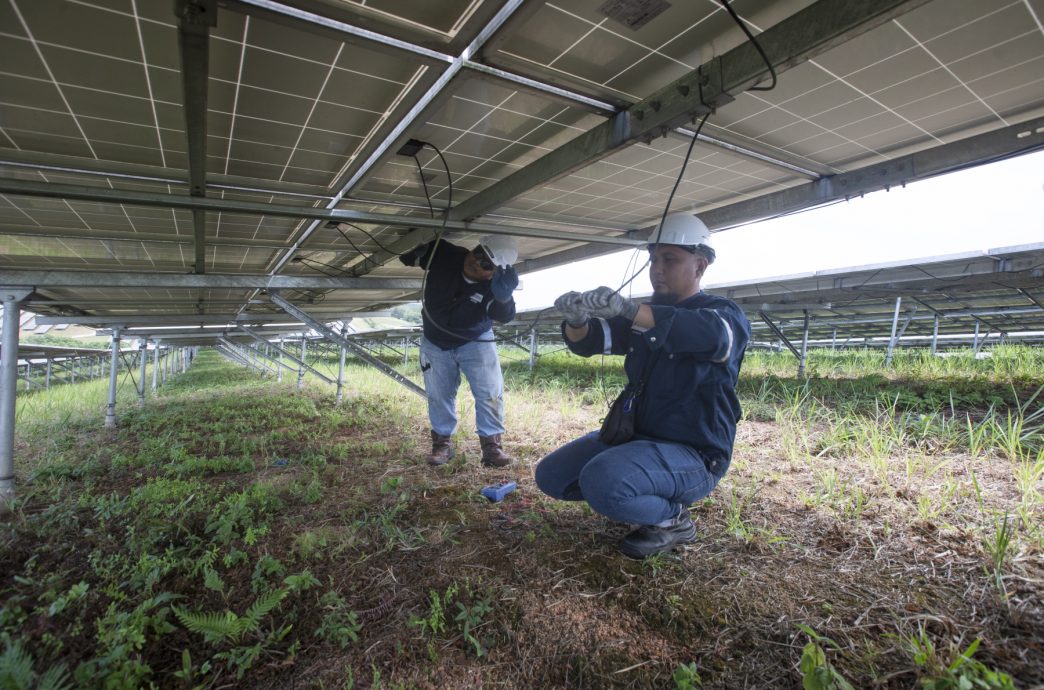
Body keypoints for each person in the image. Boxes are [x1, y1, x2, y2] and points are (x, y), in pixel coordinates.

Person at [535, 212, 750, 559]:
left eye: (670, 259)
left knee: (603, 479)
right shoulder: (645, 315)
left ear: (700, 266)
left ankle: (671, 519)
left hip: (695, 453)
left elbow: (707, 334)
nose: (657, 269)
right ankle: (635, 491)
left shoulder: (722, 314)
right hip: (637, 438)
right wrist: (576, 320)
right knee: (552, 475)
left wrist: (628, 310)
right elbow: (590, 342)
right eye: (654, 259)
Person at [399, 235, 520, 467]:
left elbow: (503, 315)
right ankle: (442, 445)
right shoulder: (445, 255)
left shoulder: (493, 289)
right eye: (478, 253)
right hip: (434, 339)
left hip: (474, 339)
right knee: (439, 393)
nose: (476, 262)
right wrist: (417, 251)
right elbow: (409, 254)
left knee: (489, 392)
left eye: (487, 264)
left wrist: (504, 297)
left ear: (494, 273)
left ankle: (491, 447)